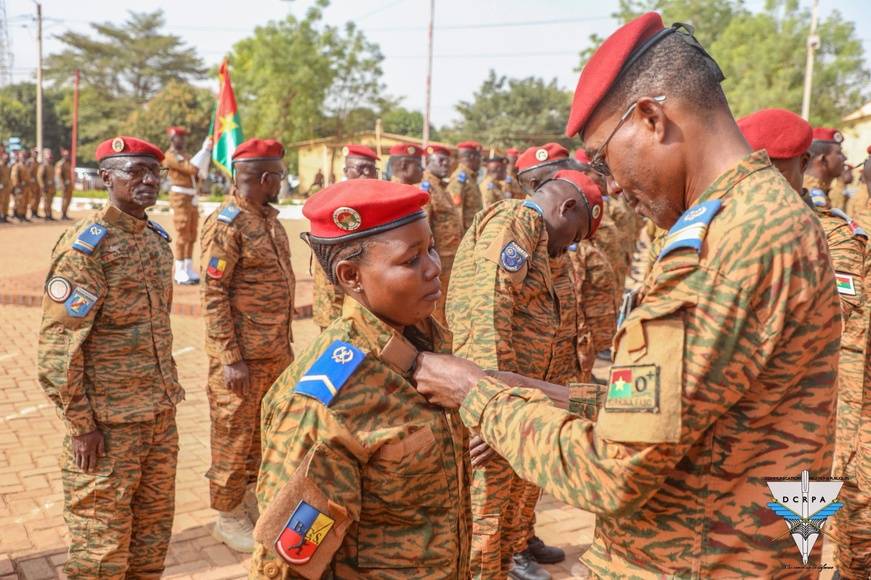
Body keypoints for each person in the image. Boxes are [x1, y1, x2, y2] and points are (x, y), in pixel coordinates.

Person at [413, 13, 841, 577]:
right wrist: (538, 390)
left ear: (651, 119)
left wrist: (477, 394)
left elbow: (611, 470)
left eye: (603, 157)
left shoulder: (721, 249)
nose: (611, 184)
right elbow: (674, 410)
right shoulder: (762, 214)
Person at [250, 179, 471, 579]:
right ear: (351, 276)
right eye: (411, 260)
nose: (434, 267)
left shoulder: (425, 343)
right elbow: (289, 563)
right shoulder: (329, 402)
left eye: (431, 248)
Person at [37, 135, 184, 578]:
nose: (149, 180)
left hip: (158, 416)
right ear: (106, 177)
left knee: (151, 538)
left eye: (154, 172)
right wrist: (81, 426)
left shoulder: (155, 240)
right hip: (108, 426)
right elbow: (58, 348)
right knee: (100, 549)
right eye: (135, 171)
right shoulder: (87, 248)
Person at [447, 169, 602, 580]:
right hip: (496, 407)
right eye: (576, 234)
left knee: (507, 512)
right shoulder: (515, 221)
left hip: (522, 406)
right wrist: (491, 410)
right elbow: (487, 314)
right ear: (567, 207)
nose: (571, 245)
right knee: (485, 519)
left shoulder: (545, 245)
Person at [200, 138, 296, 552]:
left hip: (274, 353)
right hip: (242, 360)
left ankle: (249, 499)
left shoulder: (268, 219)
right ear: (265, 177)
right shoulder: (228, 224)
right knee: (232, 437)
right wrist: (229, 357)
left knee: (262, 435)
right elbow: (213, 293)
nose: (282, 182)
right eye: (279, 175)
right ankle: (227, 515)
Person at [312, 145, 379, 331]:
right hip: (336, 299)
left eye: (371, 168)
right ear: (346, 170)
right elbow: (328, 266)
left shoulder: (375, 203)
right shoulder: (333, 204)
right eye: (361, 168)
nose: (367, 173)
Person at [420, 144, 463, 326]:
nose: (445, 164)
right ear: (428, 162)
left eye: (447, 161)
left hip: (450, 259)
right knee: (436, 305)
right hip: (438, 260)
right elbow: (423, 229)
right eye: (440, 160)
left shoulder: (442, 187)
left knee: (447, 303)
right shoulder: (427, 188)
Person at [163, 126, 212, 285]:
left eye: (184, 138)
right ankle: (179, 270)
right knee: (182, 233)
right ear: (172, 139)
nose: (183, 141)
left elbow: (196, 173)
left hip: (191, 196)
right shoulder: (170, 156)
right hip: (180, 197)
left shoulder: (186, 155)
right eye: (180, 138)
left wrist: (205, 160)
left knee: (192, 234)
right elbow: (190, 169)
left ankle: (188, 267)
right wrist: (203, 151)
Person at [804, 127, 847, 208]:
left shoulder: (818, 190)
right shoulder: (811, 194)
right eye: (839, 153)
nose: (845, 158)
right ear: (823, 159)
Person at [446, 141, 483, 230]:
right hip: (466, 232)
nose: (481, 161)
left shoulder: (470, 176)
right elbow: (456, 210)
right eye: (479, 157)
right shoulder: (459, 177)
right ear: (472, 157)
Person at [10, 150, 32, 222]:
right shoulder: (17, 166)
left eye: (24, 158)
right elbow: (15, 177)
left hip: (26, 187)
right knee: (20, 202)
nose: (23, 159)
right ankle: (20, 215)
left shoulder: (26, 166)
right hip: (20, 187)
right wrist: (17, 186)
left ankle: (24, 215)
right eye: (22, 158)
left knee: (26, 201)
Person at [36, 150, 57, 221]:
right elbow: (39, 177)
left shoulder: (51, 166)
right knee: (46, 201)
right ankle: (46, 214)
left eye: (50, 158)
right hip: (46, 187)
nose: (50, 160)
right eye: (48, 158)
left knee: (50, 201)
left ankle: (49, 214)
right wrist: (42, 185)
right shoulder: (43, 166)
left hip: (51, 187)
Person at [56, 148, 74, 220]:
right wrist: (62, 184)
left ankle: (65, 213)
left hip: (68, 184)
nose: (67, 156)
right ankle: (63, 214)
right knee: (64, 199)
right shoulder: (61, 164)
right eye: (66, 155)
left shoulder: (68, 163)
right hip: (63, 185)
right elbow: (59, 175)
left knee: (68, 199)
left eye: (68, 155)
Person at [0, 150, 11, 223]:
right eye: (5, 159)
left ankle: (5, 215)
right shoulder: (0, 166)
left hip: (6, 187)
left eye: (8, 159)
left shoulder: (7, 167)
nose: (7, 160)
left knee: (6, 202)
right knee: (1, 202)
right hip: (1, 187)